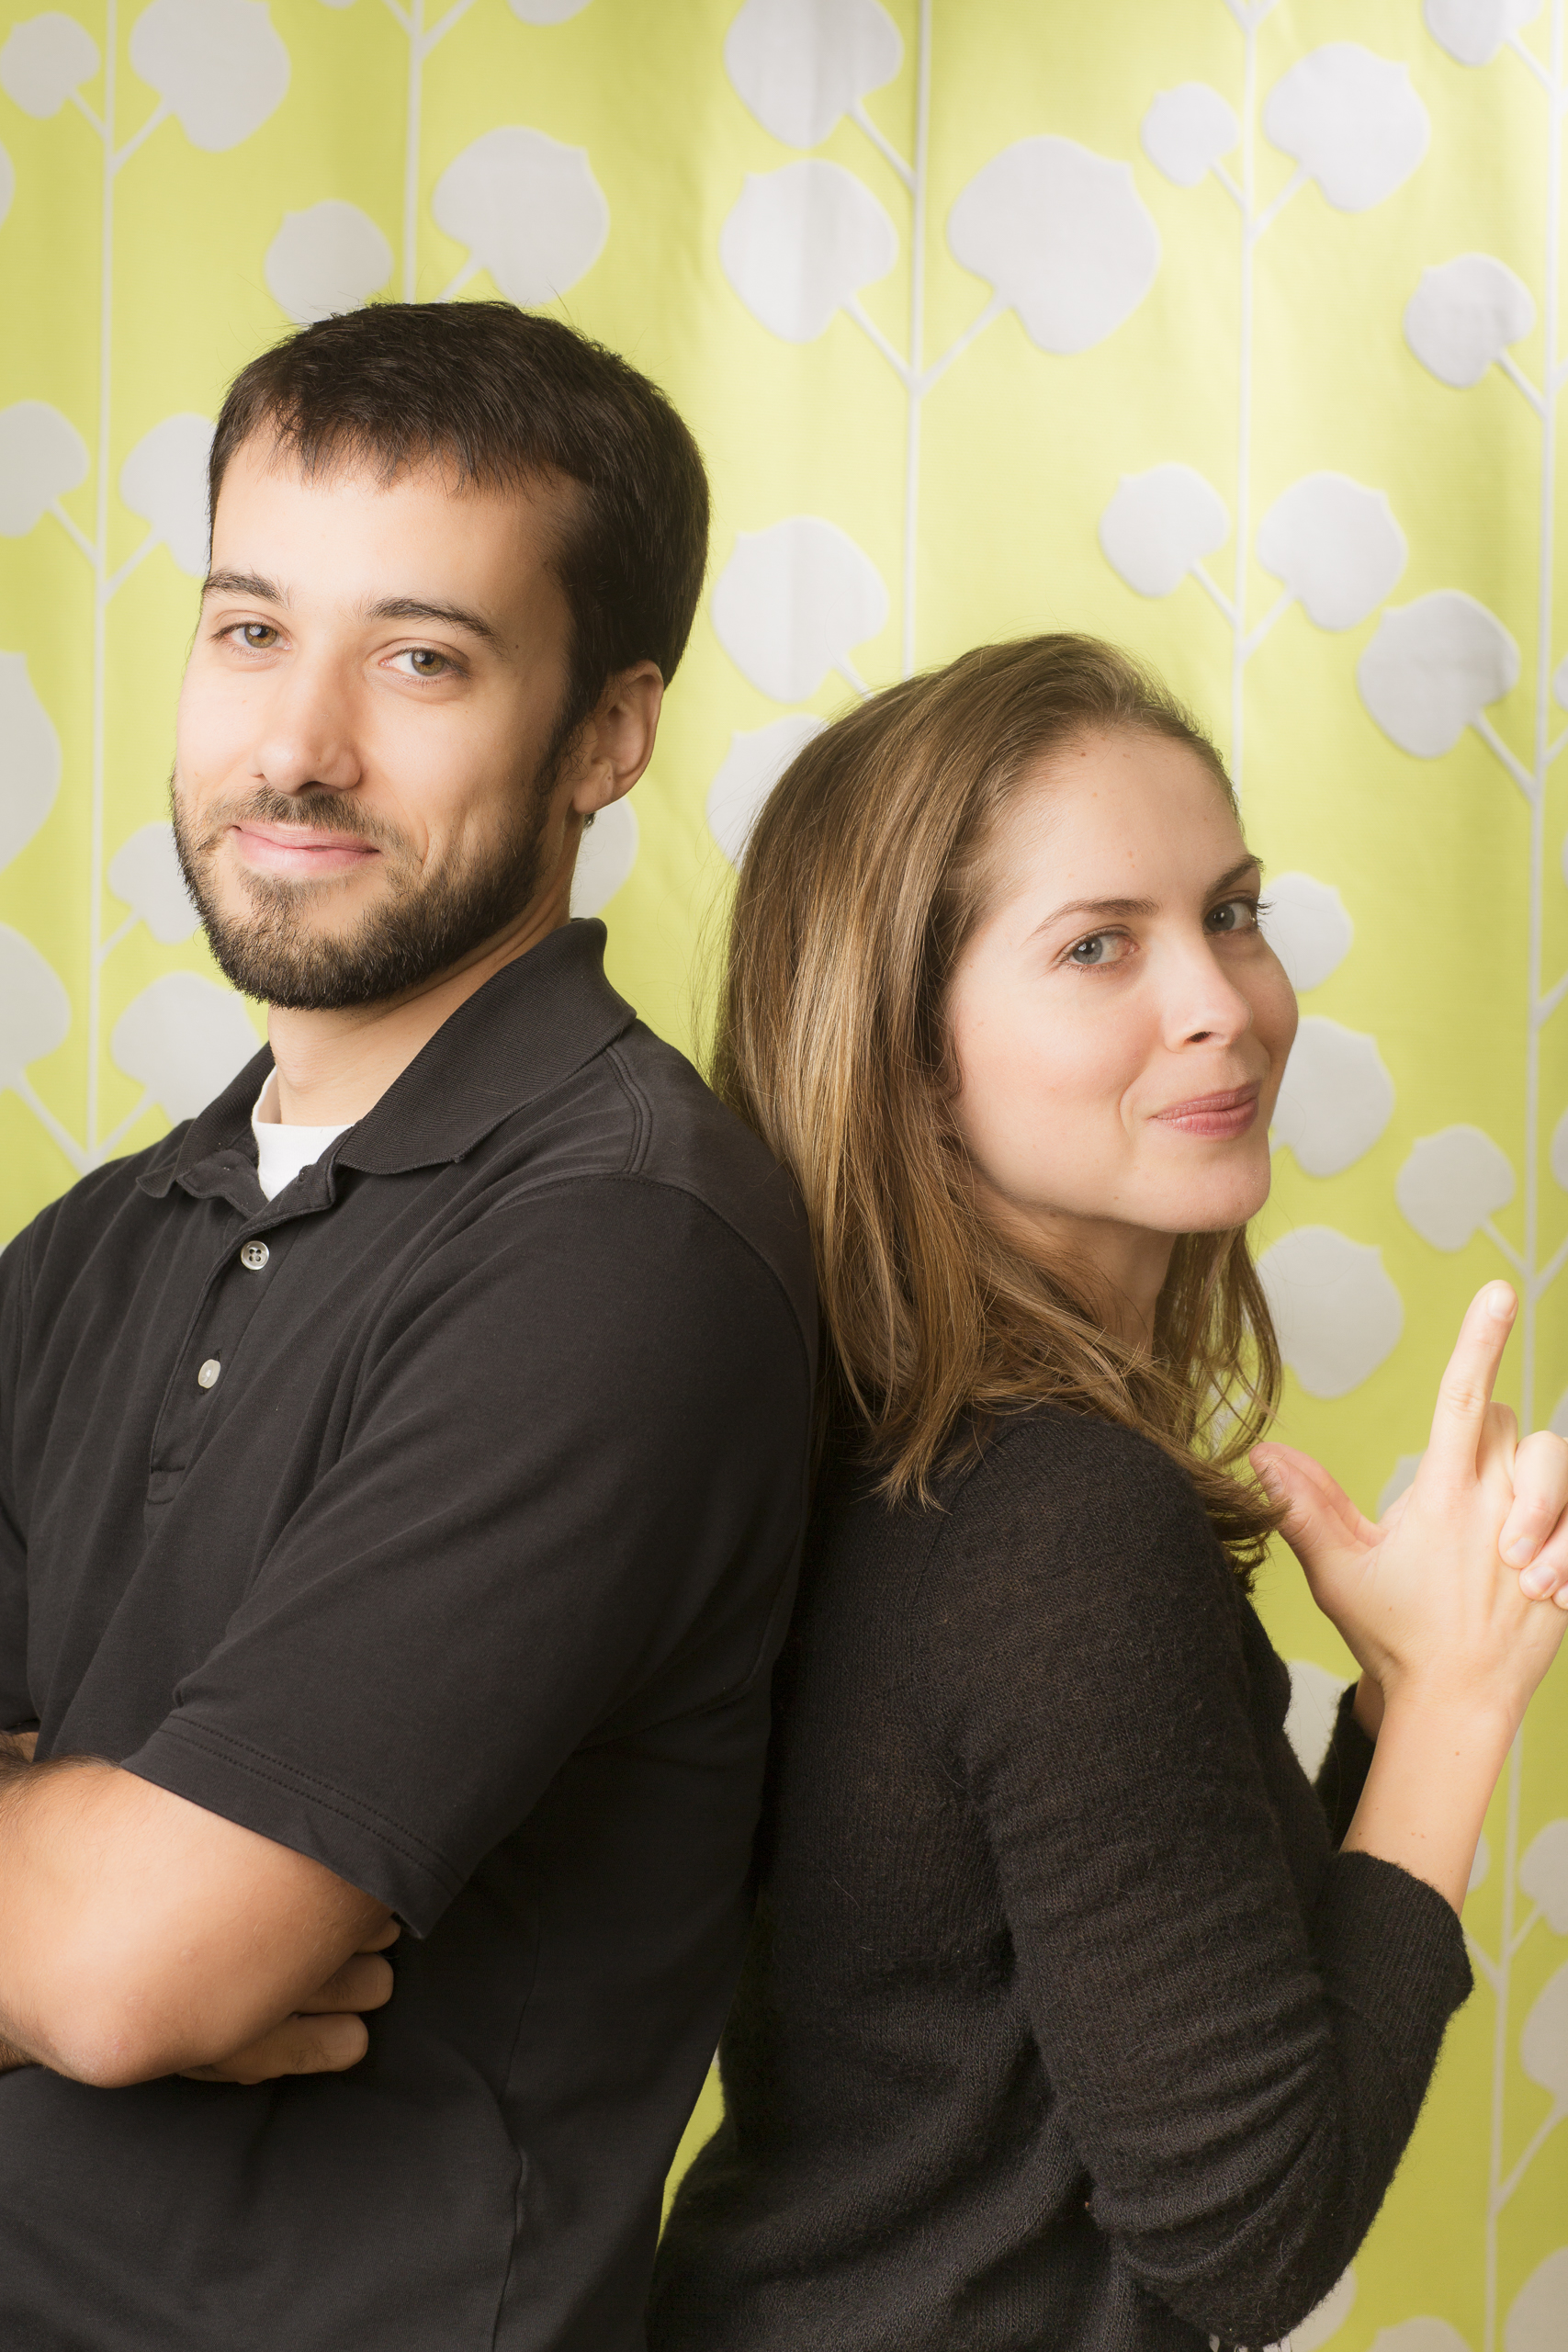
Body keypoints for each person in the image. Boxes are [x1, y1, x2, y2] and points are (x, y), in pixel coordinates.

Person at [0, 302, 816, 2352]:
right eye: (251, 628)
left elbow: (133, 1965)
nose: (296, 744)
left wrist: (110, 1901)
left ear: (610, 735)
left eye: (422, 657)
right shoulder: (103, 1240)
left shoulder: (620, 1243)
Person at [649, 636, 1568, 2352]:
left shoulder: (916, 1469)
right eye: (1097, 946)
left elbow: (1137, 2036)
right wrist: (1454, 1714)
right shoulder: (1061, 1517)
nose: (1223, 999)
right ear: (908, 1053)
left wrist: (1385, 1704)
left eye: (1232, 910)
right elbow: (1248, 2241)